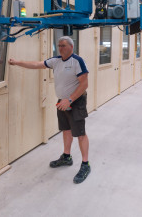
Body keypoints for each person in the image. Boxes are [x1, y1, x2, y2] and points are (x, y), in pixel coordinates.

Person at [8, 36, 91, 184]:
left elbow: (84, 84)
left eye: (63, 45)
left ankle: (85, 164)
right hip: (62, 102)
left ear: (71, 47)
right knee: (66, 130)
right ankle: (67, 157)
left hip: (75, 102)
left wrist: (70, 99)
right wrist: (17, 62)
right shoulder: (56, 61)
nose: (60, 48)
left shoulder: (77, 61)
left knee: (80, 133)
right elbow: (36, 64)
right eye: (59, 45)